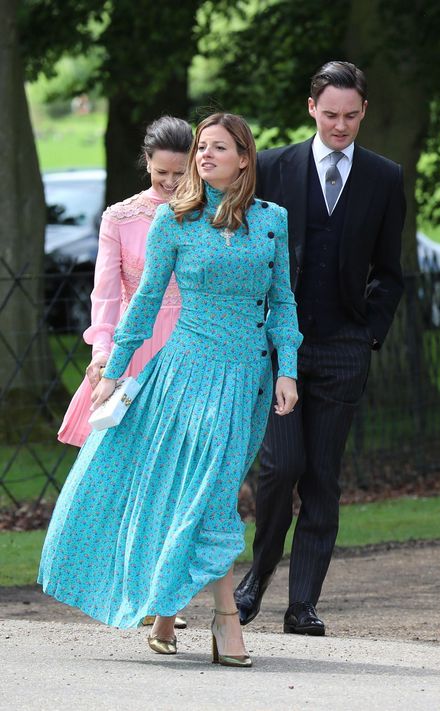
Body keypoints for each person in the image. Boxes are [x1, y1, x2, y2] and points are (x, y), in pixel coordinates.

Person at [38, 112, 302, 668]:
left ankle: (164, 614)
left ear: (244, 158)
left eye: (217, 148)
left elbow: (283, 303)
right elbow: (144, 304)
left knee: (207, 491)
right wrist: (109, 374)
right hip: (182, 374)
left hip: (245, 380)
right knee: (206, 494)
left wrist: (288, 369)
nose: (205, 156)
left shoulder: (273, 221)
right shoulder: (175, 222)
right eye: (201, 147)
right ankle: (227, 621)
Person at [234, 61, 406, 636]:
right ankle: (255, 578)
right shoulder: (272, 167)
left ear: (364, 111)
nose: (340, 126)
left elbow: (390, 272)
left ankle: (302, 604)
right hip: (277, 348)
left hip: (343, 348)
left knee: (323, 480)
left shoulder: (385, 178)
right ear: (312, 108)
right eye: (330, 114)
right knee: (282, 467)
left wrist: (368, 334)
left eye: (351, 116)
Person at [58, 116, 193, 449]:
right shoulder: (119, 218)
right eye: (162, 172)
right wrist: (102, 353)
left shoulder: (207, 216)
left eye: (180, 172)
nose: (171, 182)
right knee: (125, 454)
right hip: (137, 344)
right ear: (147, 162)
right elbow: (104, 295)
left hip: (190, 346)